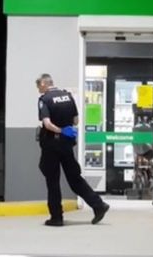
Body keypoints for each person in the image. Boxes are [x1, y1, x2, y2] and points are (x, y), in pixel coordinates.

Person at [36, 73, 109, 226]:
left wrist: (59, 130)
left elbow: (47, 124)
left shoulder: (45, 100)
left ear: (44, 84)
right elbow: (76, 120)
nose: (38, 90)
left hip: (52, 144)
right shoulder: (68, 96)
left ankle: (56, 217)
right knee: (74, 178)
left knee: (52, 180)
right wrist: (66, 130)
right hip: (67, 144)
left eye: (38, 86)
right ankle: (98, 205)